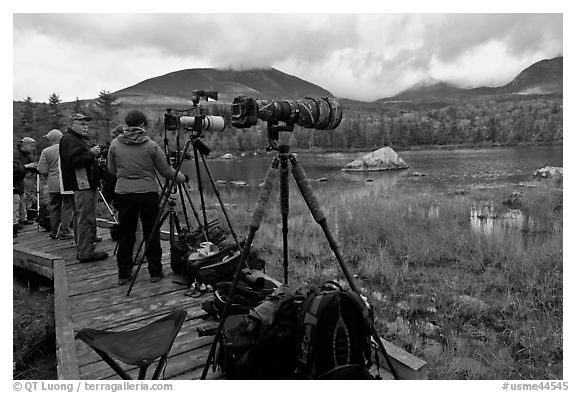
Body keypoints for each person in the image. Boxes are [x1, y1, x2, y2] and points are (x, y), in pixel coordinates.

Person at [107, 110, 186, 285]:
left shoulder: (115, 145)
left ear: (127, 124)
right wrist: (181, 177)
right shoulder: (151, 146)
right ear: (142, 125)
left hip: (123, 194)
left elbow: (111, 171)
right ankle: (155, 272)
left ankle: (123, 273)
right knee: (152, 233)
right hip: (147, 194)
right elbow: (165, 170)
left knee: (126, 234)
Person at [59, 113, 108, 263]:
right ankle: (86, 252)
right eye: (82, 124)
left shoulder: (76, 139)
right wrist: (91, 154)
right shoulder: (69, 139)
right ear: (72, 124)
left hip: (86, 183)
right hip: (82, 184)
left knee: (83, 216)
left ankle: (85, 244)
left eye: (86, 124)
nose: (85, 127)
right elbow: (73, 161)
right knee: (85, 217)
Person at [37, 129, 75, 240]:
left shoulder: (46, 151)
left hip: (53, 182)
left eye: (48, 138)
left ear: (52, 139)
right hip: (67, 181)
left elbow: (42, 169)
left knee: (54, 207)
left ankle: (54, 231)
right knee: (68, 206)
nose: (47, 141)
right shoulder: (68, 149)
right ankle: (65, 230)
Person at [13, 137, 38, 235]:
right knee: (15, 201)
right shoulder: (15, 154)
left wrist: (34, 167)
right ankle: (13, 225)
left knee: (22, 199)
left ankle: (23, 219)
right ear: (24, 145)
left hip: (19, 182)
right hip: (14, 182)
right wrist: (26, 167)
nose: (32, 149)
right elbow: (14, 168)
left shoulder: (24, 155)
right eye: (31, 146)